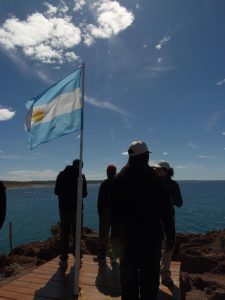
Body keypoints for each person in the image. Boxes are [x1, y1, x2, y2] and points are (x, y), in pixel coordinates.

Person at [110, 141, 175, 300]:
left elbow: (114, 213)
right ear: (145, 156)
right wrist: (170, 236)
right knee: (150, 283)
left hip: (126, 242)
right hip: (150, 240)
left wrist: (115, 237)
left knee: (128, 284)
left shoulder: (119, 178)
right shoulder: (154, 178)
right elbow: (166, 211)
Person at [54, 159, 87, 271]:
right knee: (77, 235)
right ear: (80, 166)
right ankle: (78, 258)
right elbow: (84, 194)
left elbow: (56, 191)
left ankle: (63, 260)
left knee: (64, 235)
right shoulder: (81, 177)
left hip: (64, 210)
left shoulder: (61, 175)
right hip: (76, 210)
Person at [154, 161, 183, 288]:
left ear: (165, 170)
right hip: (154, 218)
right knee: (154, 245)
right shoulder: (153, 183)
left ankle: (165, 275)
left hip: (168, 218)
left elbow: (180, 203)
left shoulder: (173, 185)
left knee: (169, 245)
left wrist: (171, 199)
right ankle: (153, 274)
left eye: (159, 169)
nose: (156, 171)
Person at [97, 164, 117, 261]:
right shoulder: (119, 183)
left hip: (105, 211)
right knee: (115, 234)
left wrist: (99, 211)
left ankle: (102, 256)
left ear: (108, 172)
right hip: (116, 212)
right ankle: (113, 257)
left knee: (104, 234)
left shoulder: (104, 183)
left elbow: (100, 199)